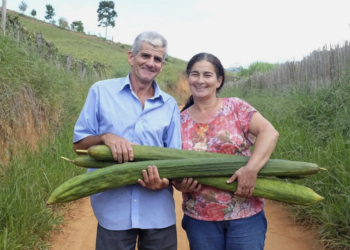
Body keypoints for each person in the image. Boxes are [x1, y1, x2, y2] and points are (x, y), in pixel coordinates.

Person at [73, 31, 181, 250]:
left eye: (157, 59)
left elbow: (176, 158)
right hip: (113, 212)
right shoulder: (101, 91)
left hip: (158, 212)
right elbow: (79, 146)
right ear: (131, 57)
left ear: (161, 64)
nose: (151, 63)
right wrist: (104, 137)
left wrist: (165, 181)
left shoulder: (169, 105)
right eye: (145, 56)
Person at [172, 52, 279, 250]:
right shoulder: (178, 121)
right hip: (199, 218)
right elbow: (172, 167)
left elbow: (269, 133)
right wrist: (181, 185)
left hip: (245, 215)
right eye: (195, 74)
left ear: (219, 80)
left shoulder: (235, 107)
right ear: (188, 79)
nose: (200, 80)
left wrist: (251, 169)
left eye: (207, 75)